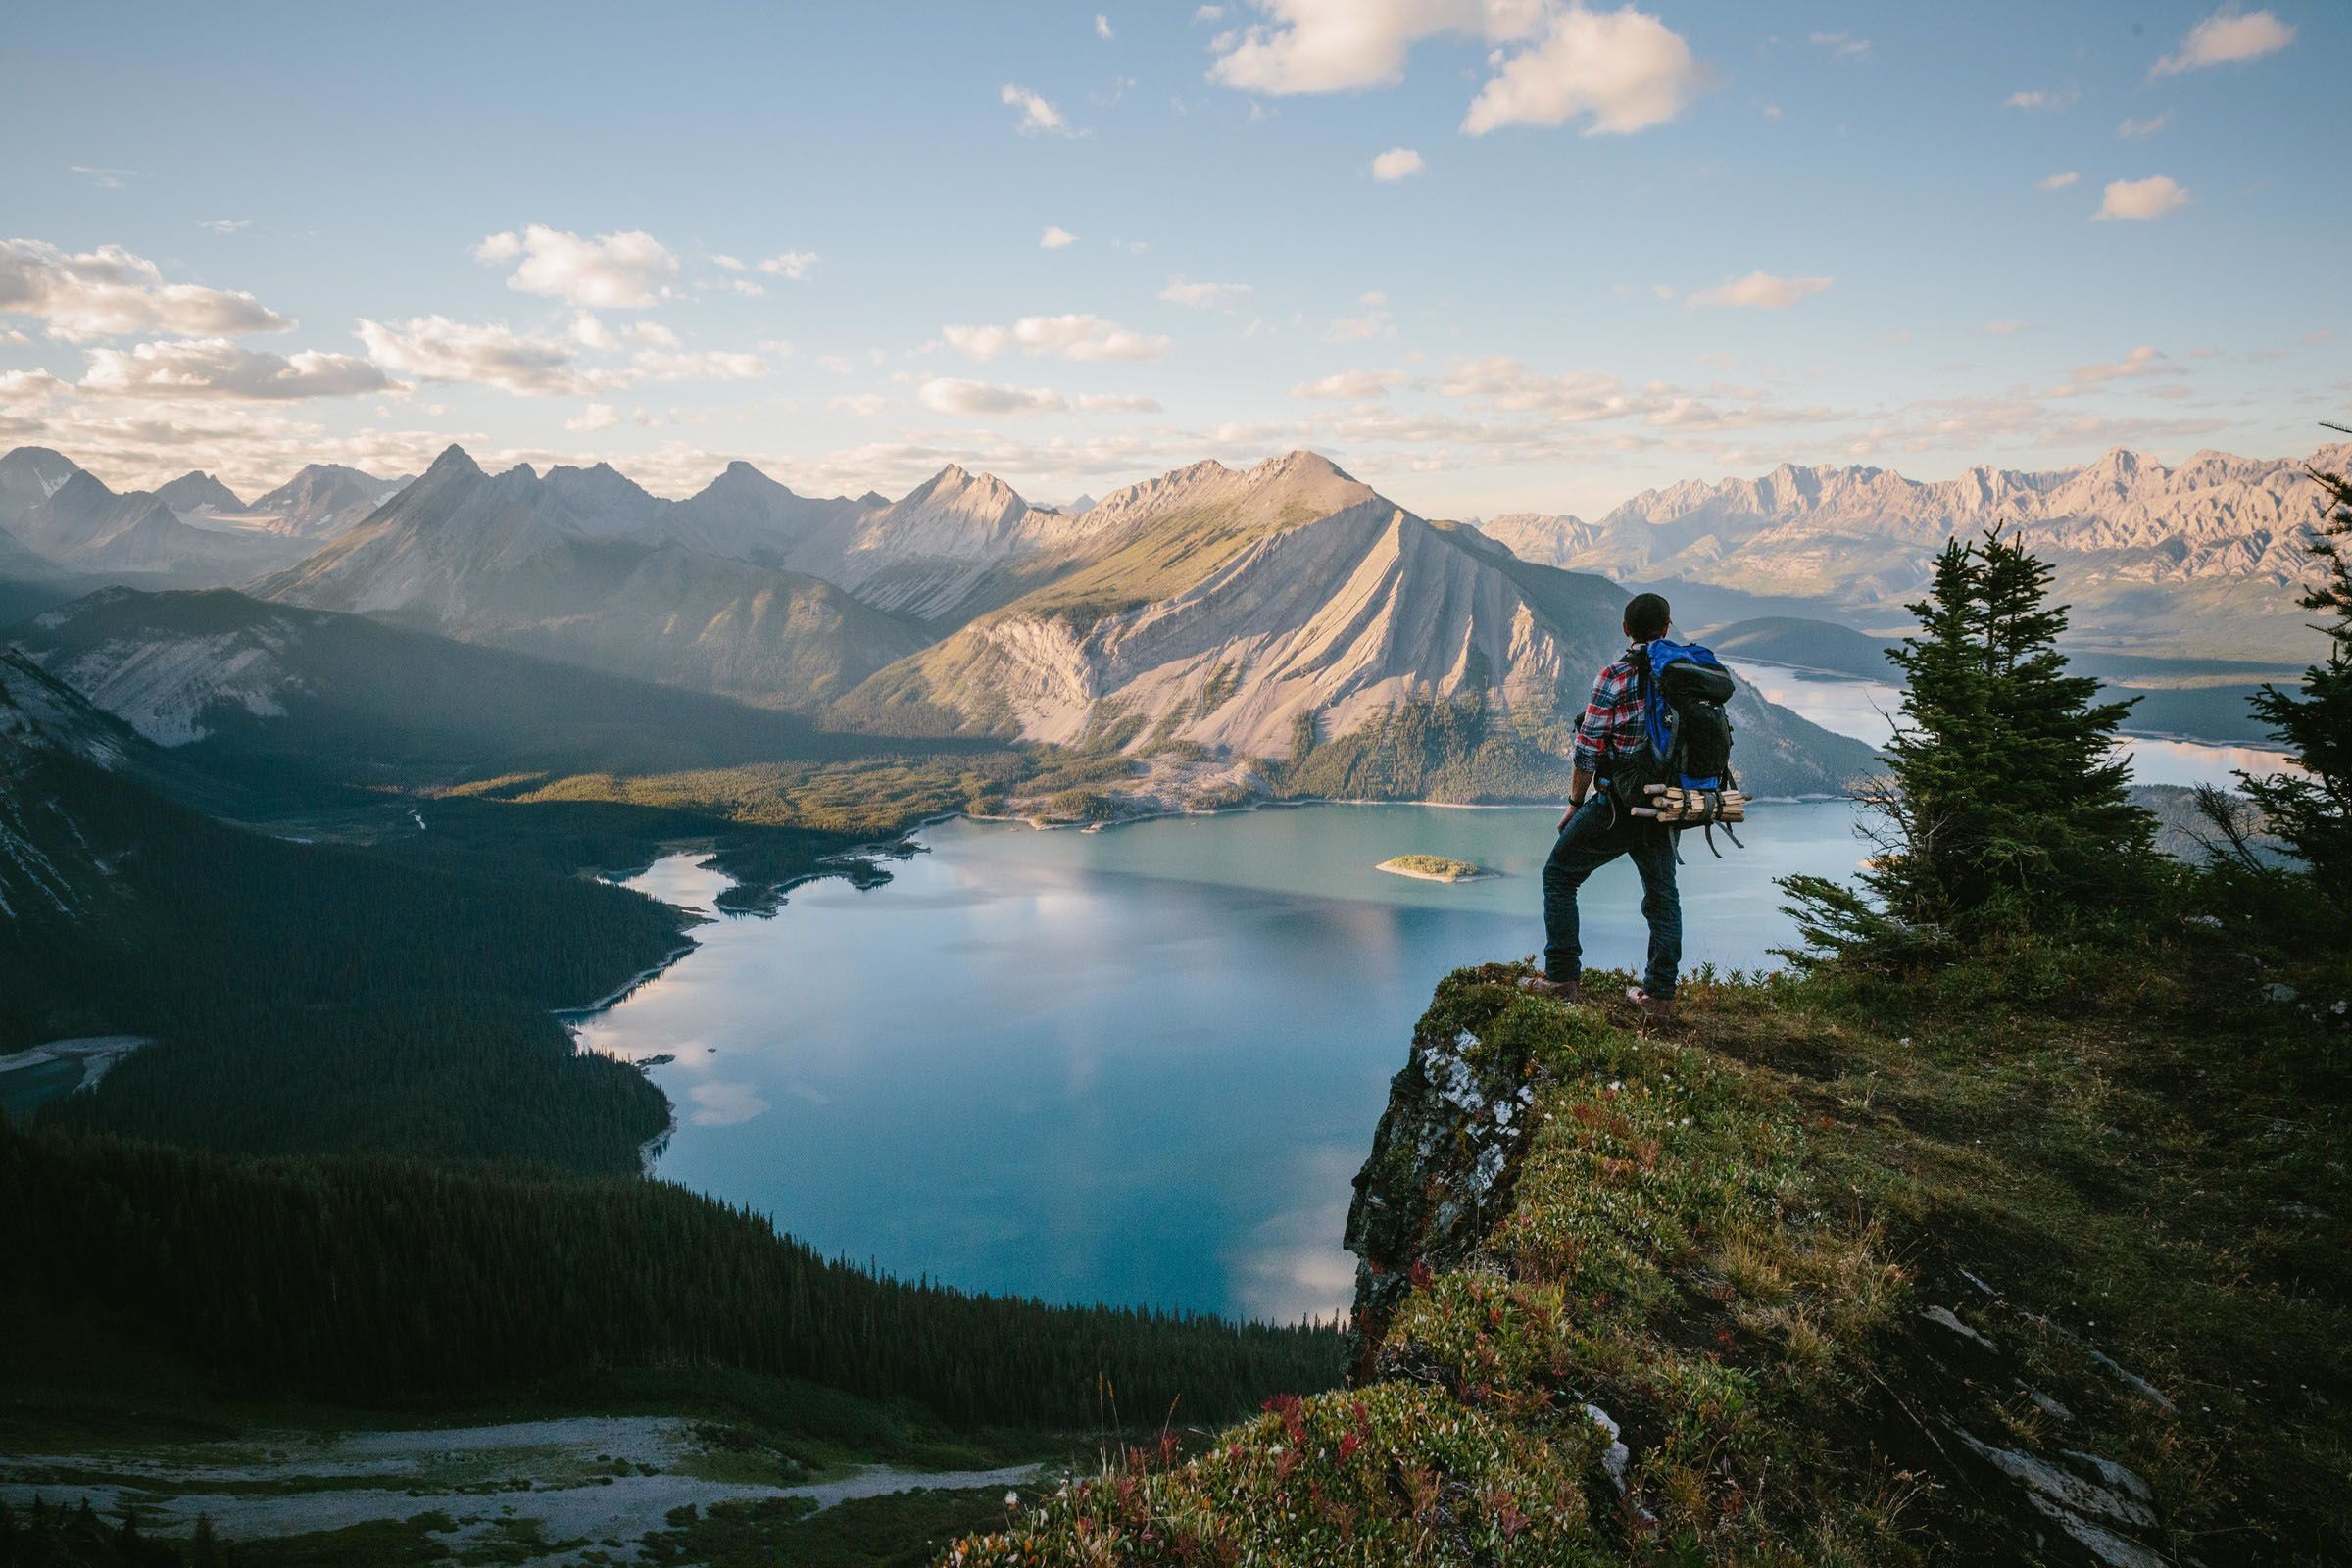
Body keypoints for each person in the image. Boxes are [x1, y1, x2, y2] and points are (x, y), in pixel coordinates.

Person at [1522, 592, 1681, 1021]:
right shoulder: (1683, 677)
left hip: (1621, 803)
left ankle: (1561, 978)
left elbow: (1587, 751)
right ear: (1667, 628)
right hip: (1668, 803)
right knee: (1662, 895)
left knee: (1558, 875)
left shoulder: (1613, 677)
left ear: (1625, 630)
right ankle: (1660, 997)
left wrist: (1576, 803)